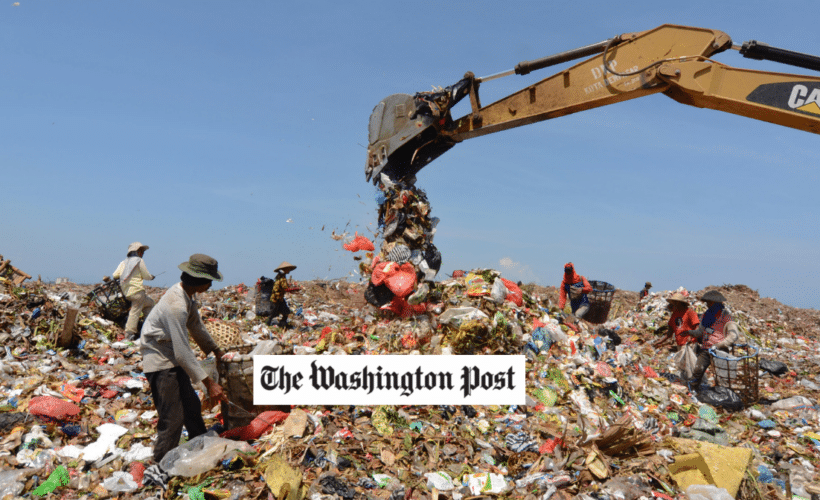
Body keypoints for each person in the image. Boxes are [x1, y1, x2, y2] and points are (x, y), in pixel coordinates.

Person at [139, 254, 227, 464]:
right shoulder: (176, 305)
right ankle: (161, 466)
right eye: (210, 281)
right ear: (201, 282)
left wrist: (216, 350)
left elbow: (196, 325)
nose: (211, 285)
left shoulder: (186, 297)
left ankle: (201, 450)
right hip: (160, 361)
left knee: (192, 408)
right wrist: (209, 383)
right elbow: (182, 351)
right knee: (172, 417)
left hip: (171, 358)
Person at [685, 290, 742, 390]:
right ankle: (692, 392)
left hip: (720, 351)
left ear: (715, 303)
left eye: (709, 303)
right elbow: (700, 332)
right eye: (707, 303)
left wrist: (719, 345)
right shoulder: (706, 316)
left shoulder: (725, 316)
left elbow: (733, 335)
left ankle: (723, 394)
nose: (707, 305)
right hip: (706, 350)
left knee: (722, 376)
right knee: (697, 371)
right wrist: (689, 332)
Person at [112, 242, 155, 340]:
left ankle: (147, 328)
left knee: (150, 304)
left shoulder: (124, 262)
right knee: (135, 311)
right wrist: (151, 277)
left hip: (127, 292)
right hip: (137, 292)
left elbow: (115, 275)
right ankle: (129, 333)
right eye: (141, 251)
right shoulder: (139, 261)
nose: (143, 253)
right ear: (137, 251)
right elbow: (146, 275)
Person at [268, 261, 296, 328]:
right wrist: (295, 289)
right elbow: (286, 288)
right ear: (284, 269)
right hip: (276, 298)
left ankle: (282, 324)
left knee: (285, 312)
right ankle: (266, 325)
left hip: (279, 298)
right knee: (273, 313)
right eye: (288, 269)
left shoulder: (279, 276)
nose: (289, 270)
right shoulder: (282, 278)